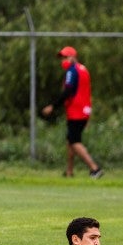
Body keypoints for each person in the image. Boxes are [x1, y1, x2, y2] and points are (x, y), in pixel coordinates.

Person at [41, 46, 103, 179]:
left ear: (73, 57)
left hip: (76, 110)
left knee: (74, 141)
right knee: (70, 141)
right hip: (83, 109)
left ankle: (94, 168)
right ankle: (69, 172)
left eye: (66, 57)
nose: (63, 60)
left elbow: (68, 91)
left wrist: (53, 106)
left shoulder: (72, 71)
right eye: (62, 58)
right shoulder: (82, 69)